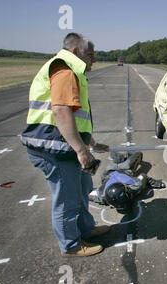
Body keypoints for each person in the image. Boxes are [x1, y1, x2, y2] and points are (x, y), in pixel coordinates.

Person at [21, 33, 110, 257]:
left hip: (65, 147)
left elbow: (77, 117)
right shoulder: (65, 70)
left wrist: (92, 143)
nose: (94, 59)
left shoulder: (73, 71)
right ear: (75, 51)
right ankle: (71, 245)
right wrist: (82, 151)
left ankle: (85, 230)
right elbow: (60, 112)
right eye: (90, 54)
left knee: (81, 190)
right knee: (67, 199)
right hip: (55, 150)